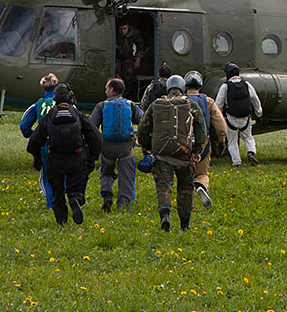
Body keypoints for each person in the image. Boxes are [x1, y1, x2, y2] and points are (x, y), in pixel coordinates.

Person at [137, 74, 207, 231]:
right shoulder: (190, 105)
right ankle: (185, 224)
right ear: (183, 87)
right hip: (185, 155)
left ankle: (165, 216)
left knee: (164, 187)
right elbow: (202, 130)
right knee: (185, 189)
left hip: (162, 155)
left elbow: (142, 130)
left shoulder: (156, 104)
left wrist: (150, 147)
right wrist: (196, 151)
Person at [27, 83, 102, 225]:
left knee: (57, 194)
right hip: (76, 158)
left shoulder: (48, 118)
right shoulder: (78, 116)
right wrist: (92, 159)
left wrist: (37, 158)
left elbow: (33, 142)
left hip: (55, 159)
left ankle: (62, 222)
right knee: (77, 188)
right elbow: (96, 138)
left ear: (55, 99)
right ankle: (76, 199)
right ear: (71, 98)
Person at [89, 77, 143, 212]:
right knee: (126, 177)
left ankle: (107, 195)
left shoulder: (101, 106)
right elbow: (143, 121)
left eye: (106, 88)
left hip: (107, 146)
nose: (105, 90)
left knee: (106, 173)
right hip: (125, 148)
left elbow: (91, 126)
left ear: (112, 90)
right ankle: (123, 205)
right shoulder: (130, 105)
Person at [183, 70, 227, 210]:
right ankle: (201, 185)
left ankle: (188, 204)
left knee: (184, 175)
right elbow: (221, 127)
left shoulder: (179, 101)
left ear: (185, 86)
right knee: (202, 173)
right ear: (200, 87)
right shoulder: (208, 101)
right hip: (203, 144)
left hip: (183, 144)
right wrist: (221, 140)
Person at [19, 73, 59, 208]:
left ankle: (51, 204)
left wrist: (35, 136)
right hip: (64, 143)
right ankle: (65, 200)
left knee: (47, 177)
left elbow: (24, 126)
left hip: (45, 145)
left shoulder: (38, 104)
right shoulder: (64, 103)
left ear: (43, 88)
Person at [215, 62, 263, 167]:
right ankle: (250, 152)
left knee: (232, 142)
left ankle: (237, 163)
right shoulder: (247, 84)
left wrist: (218, 118)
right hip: (246, 118)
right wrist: (259, 114)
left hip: (231, 118)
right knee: (248, 137)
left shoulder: (225, 86)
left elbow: (218, 104)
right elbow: (255, 100)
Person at [115, 21, 147, 100]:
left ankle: (124, 96)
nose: (122, 31)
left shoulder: (133, 32)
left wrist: (138, 59)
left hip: (128, 57)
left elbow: (140, 45)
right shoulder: (114, 32)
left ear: (128, 26)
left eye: (124, 29)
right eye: (120, 29)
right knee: (117, 77)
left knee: (129, 78)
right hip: (116, 57)